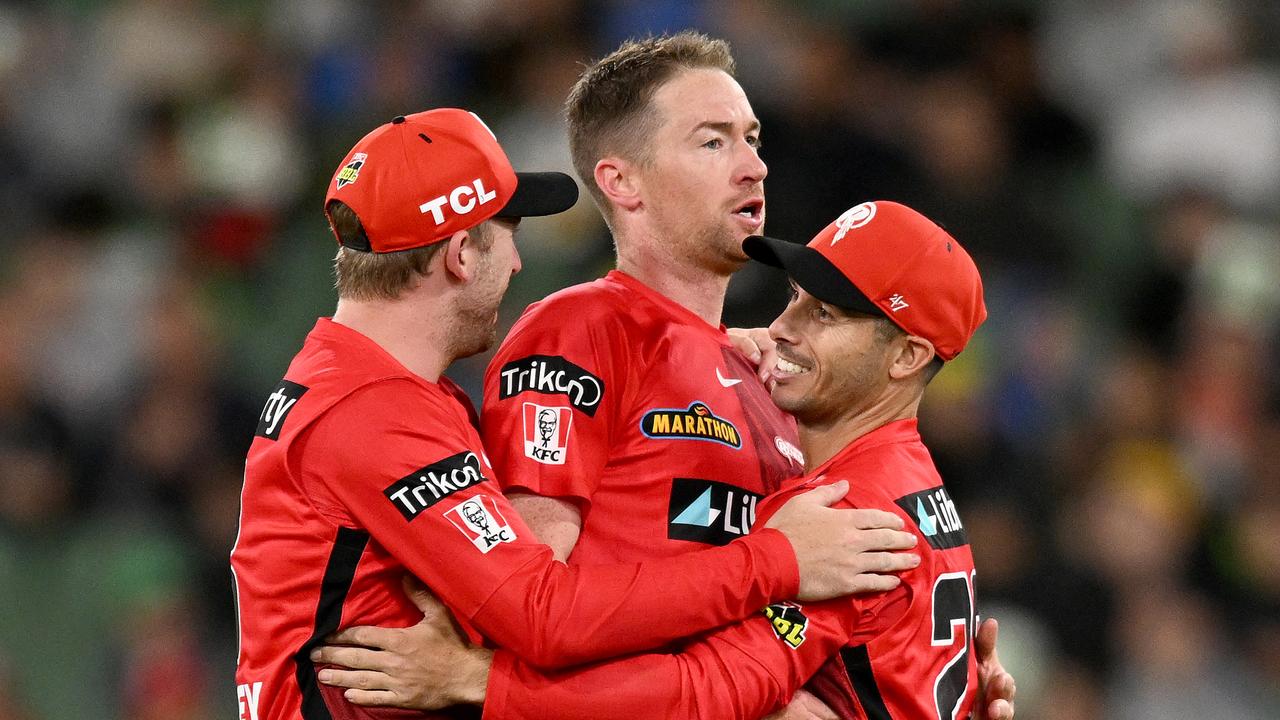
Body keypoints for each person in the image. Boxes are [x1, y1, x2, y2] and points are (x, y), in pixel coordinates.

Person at [313, 33, 1015, 718]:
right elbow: (520, 611)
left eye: (753, 137)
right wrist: (484, 680)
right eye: (713, 142)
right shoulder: (583, 332)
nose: (754, 167)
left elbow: (776, 654)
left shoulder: (769, 384)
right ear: (622, 182)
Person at [229, 108, 922, 720]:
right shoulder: (371, 413)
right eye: (508, 232)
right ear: (462, 254)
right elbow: (543, 616)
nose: (521, 262)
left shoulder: (383, 390)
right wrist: (779, 559)